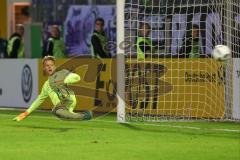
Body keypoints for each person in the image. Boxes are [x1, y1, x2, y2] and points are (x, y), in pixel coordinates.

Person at [13, 56, 92, 121]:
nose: (50, 67)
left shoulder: (62, 73)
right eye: (47, 66)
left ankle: (83, 116)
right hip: (61, 106)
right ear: (44, 68)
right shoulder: (46, 85)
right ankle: (83, 115)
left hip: (68, 100)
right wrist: (25, 113)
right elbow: (39, 100)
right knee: (60, 113)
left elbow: (77, 77)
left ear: (55, 66)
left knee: (57, 111)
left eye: (51, 65)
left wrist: (64, 81)